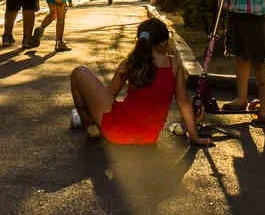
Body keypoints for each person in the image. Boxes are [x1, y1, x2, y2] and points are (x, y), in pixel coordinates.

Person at [69, 17, 210, 146]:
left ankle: (89, 126)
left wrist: (91, 106)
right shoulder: (174, 64)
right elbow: (183, 102)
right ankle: (90, 123)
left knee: (79, 72)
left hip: (116, 132)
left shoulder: (131, 62)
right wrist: (194, 136)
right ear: (164, 42)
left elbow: (110, 95)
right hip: (148, 137)